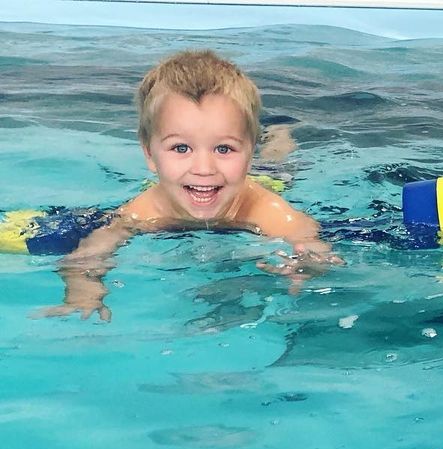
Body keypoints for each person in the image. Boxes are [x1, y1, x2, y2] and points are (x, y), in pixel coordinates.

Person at [38, 49, 341, 322]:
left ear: (248, 153)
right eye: (181, 148)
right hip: (224, 182)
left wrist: (309, 264)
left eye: (224, 149)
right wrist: (83, 291)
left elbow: (310, 243)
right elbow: (86, 257)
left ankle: (278, 137)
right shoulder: (144, 210)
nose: (204, 169)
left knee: (278, 169)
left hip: (261, 180)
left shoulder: (267, 211)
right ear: (150, 155)